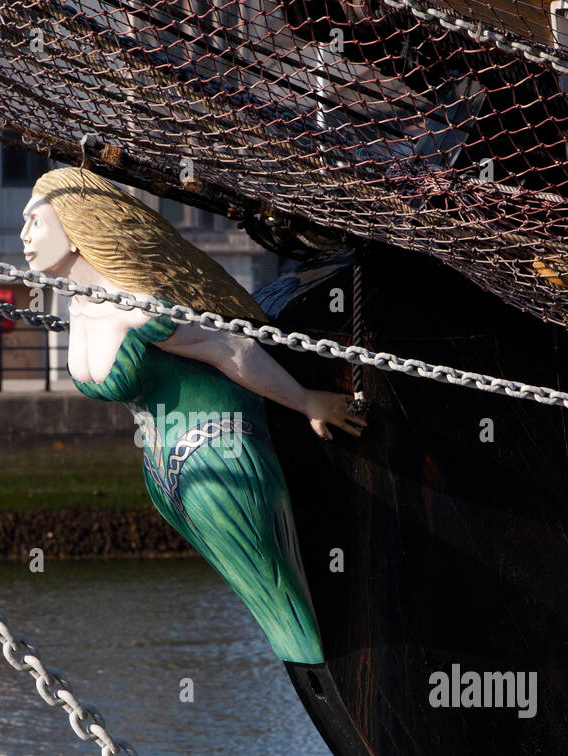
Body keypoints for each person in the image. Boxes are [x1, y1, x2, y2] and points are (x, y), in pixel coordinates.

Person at [21, 167, 365, 664]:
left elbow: (231, 350)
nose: (24, 236)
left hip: (220, 463)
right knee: (270, 603)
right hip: (166, 478)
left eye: (36, 223)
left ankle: (322, 666)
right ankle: (317, 668)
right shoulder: (80, 308)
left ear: (76, 227)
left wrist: (308, 400)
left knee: (285, 609)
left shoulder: (139, 308)